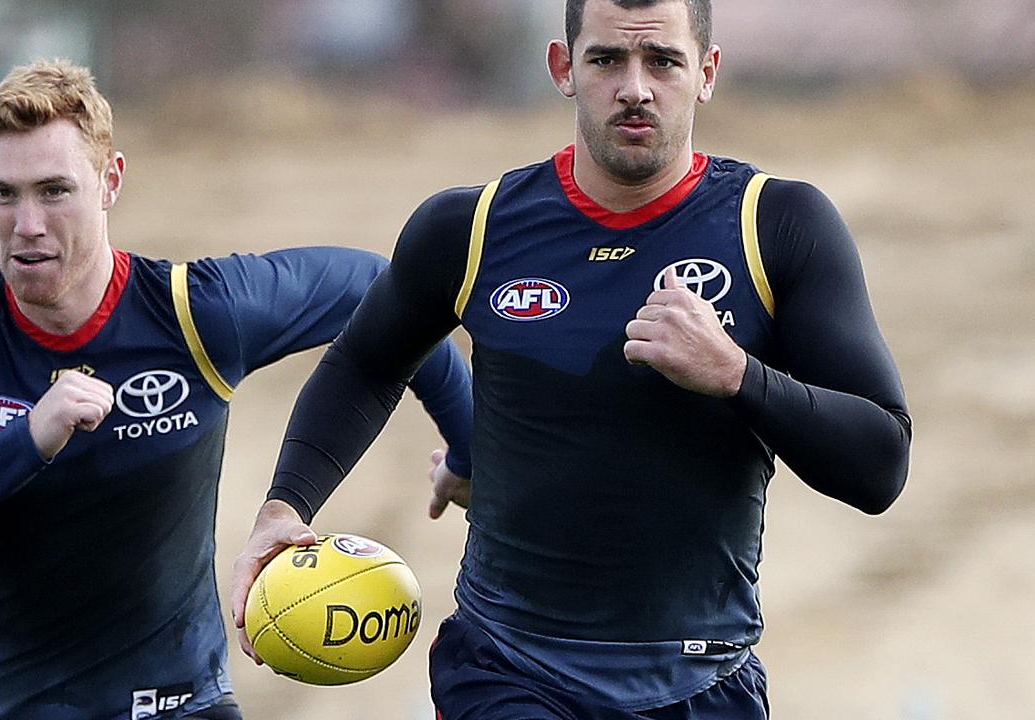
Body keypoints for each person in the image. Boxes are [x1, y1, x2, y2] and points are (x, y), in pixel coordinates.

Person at [231, 0, 912, 717]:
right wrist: (285, 505)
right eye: (606, 59)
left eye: (663, 61)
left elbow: (878, 465)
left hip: (702, 678)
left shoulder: (778, 227)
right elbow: (365, 364)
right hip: (508, 669)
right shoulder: (469, 228)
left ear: (706, 72)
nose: (635, 87)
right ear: (564, 68)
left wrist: (735, 374)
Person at [0, 59, 473, 720]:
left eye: (54, 191)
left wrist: (472, 451)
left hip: (183, 706)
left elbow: (386, 290)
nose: (26, 223)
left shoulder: (193, 314)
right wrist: (26, 442)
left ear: (109, 182)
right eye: (3, 193)